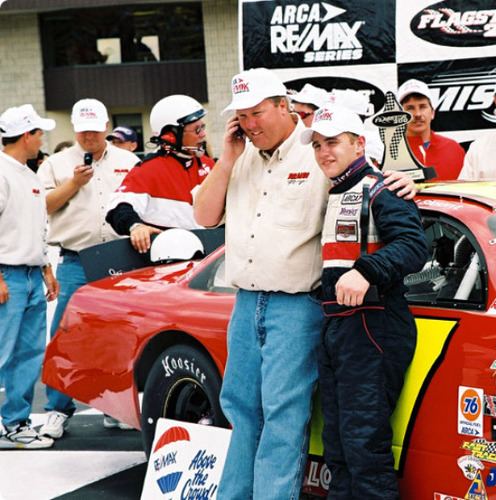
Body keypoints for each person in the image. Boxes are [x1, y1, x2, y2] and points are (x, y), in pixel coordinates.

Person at [193, 67, 416, 500]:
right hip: (244, 300)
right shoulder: (238, 156)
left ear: (284, 107)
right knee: (239, 409)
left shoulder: (318, 150)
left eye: (257, 113)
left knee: (283, 415)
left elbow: (370, 182)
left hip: (298, 304)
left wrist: (405, 181)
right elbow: (203, 216)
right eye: (241, 115)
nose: (249, 124)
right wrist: (225, 157)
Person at [302, 104, 428, 498]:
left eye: (334, 142)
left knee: (363, 445)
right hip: (338, 325)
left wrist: (367, 270)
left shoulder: (380, 188)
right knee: (338, 445)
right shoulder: (334, 189)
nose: (324, 152)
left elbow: (413, 245)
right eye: (318, 144)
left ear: (359, 144)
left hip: (374, 324)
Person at [37, 98, 140, 438]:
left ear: (107, 126)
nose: (89, 136)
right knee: (67, 333)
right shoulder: (56, 163)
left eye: (95, 129)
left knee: (122, 334)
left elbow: (144, 202)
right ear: (75, 127)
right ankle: (56, 409)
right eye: (83, 130)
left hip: (122, 256)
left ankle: (115, 407)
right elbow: (41, 207)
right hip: (77, 257)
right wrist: (73, 184)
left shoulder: (129, 160)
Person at [0, 104, 59, 449]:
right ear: (26, 135)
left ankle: (15, 423)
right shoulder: (4, 172)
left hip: (30, 274)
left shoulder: (28, 173)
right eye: (38, 132)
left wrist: (45, 268)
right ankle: (13, 423)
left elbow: (37, 225)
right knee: (5, 354)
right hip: (8, 275)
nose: (41, 138)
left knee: (27, 354)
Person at [106, 95, 214, 253]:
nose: (203, 135)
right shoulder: (149, 169)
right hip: (172, 260)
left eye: (203, 127)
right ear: (171, 135)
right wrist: (136, 226)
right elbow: (118, 208)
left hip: (210, 256)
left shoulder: (209, 164)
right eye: (197, 129)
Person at [397, 79, 465, 180]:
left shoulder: (453, 149)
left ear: (433, 112)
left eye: (423, 107)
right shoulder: (390, 154)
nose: (417, 114)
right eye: (410, 108)